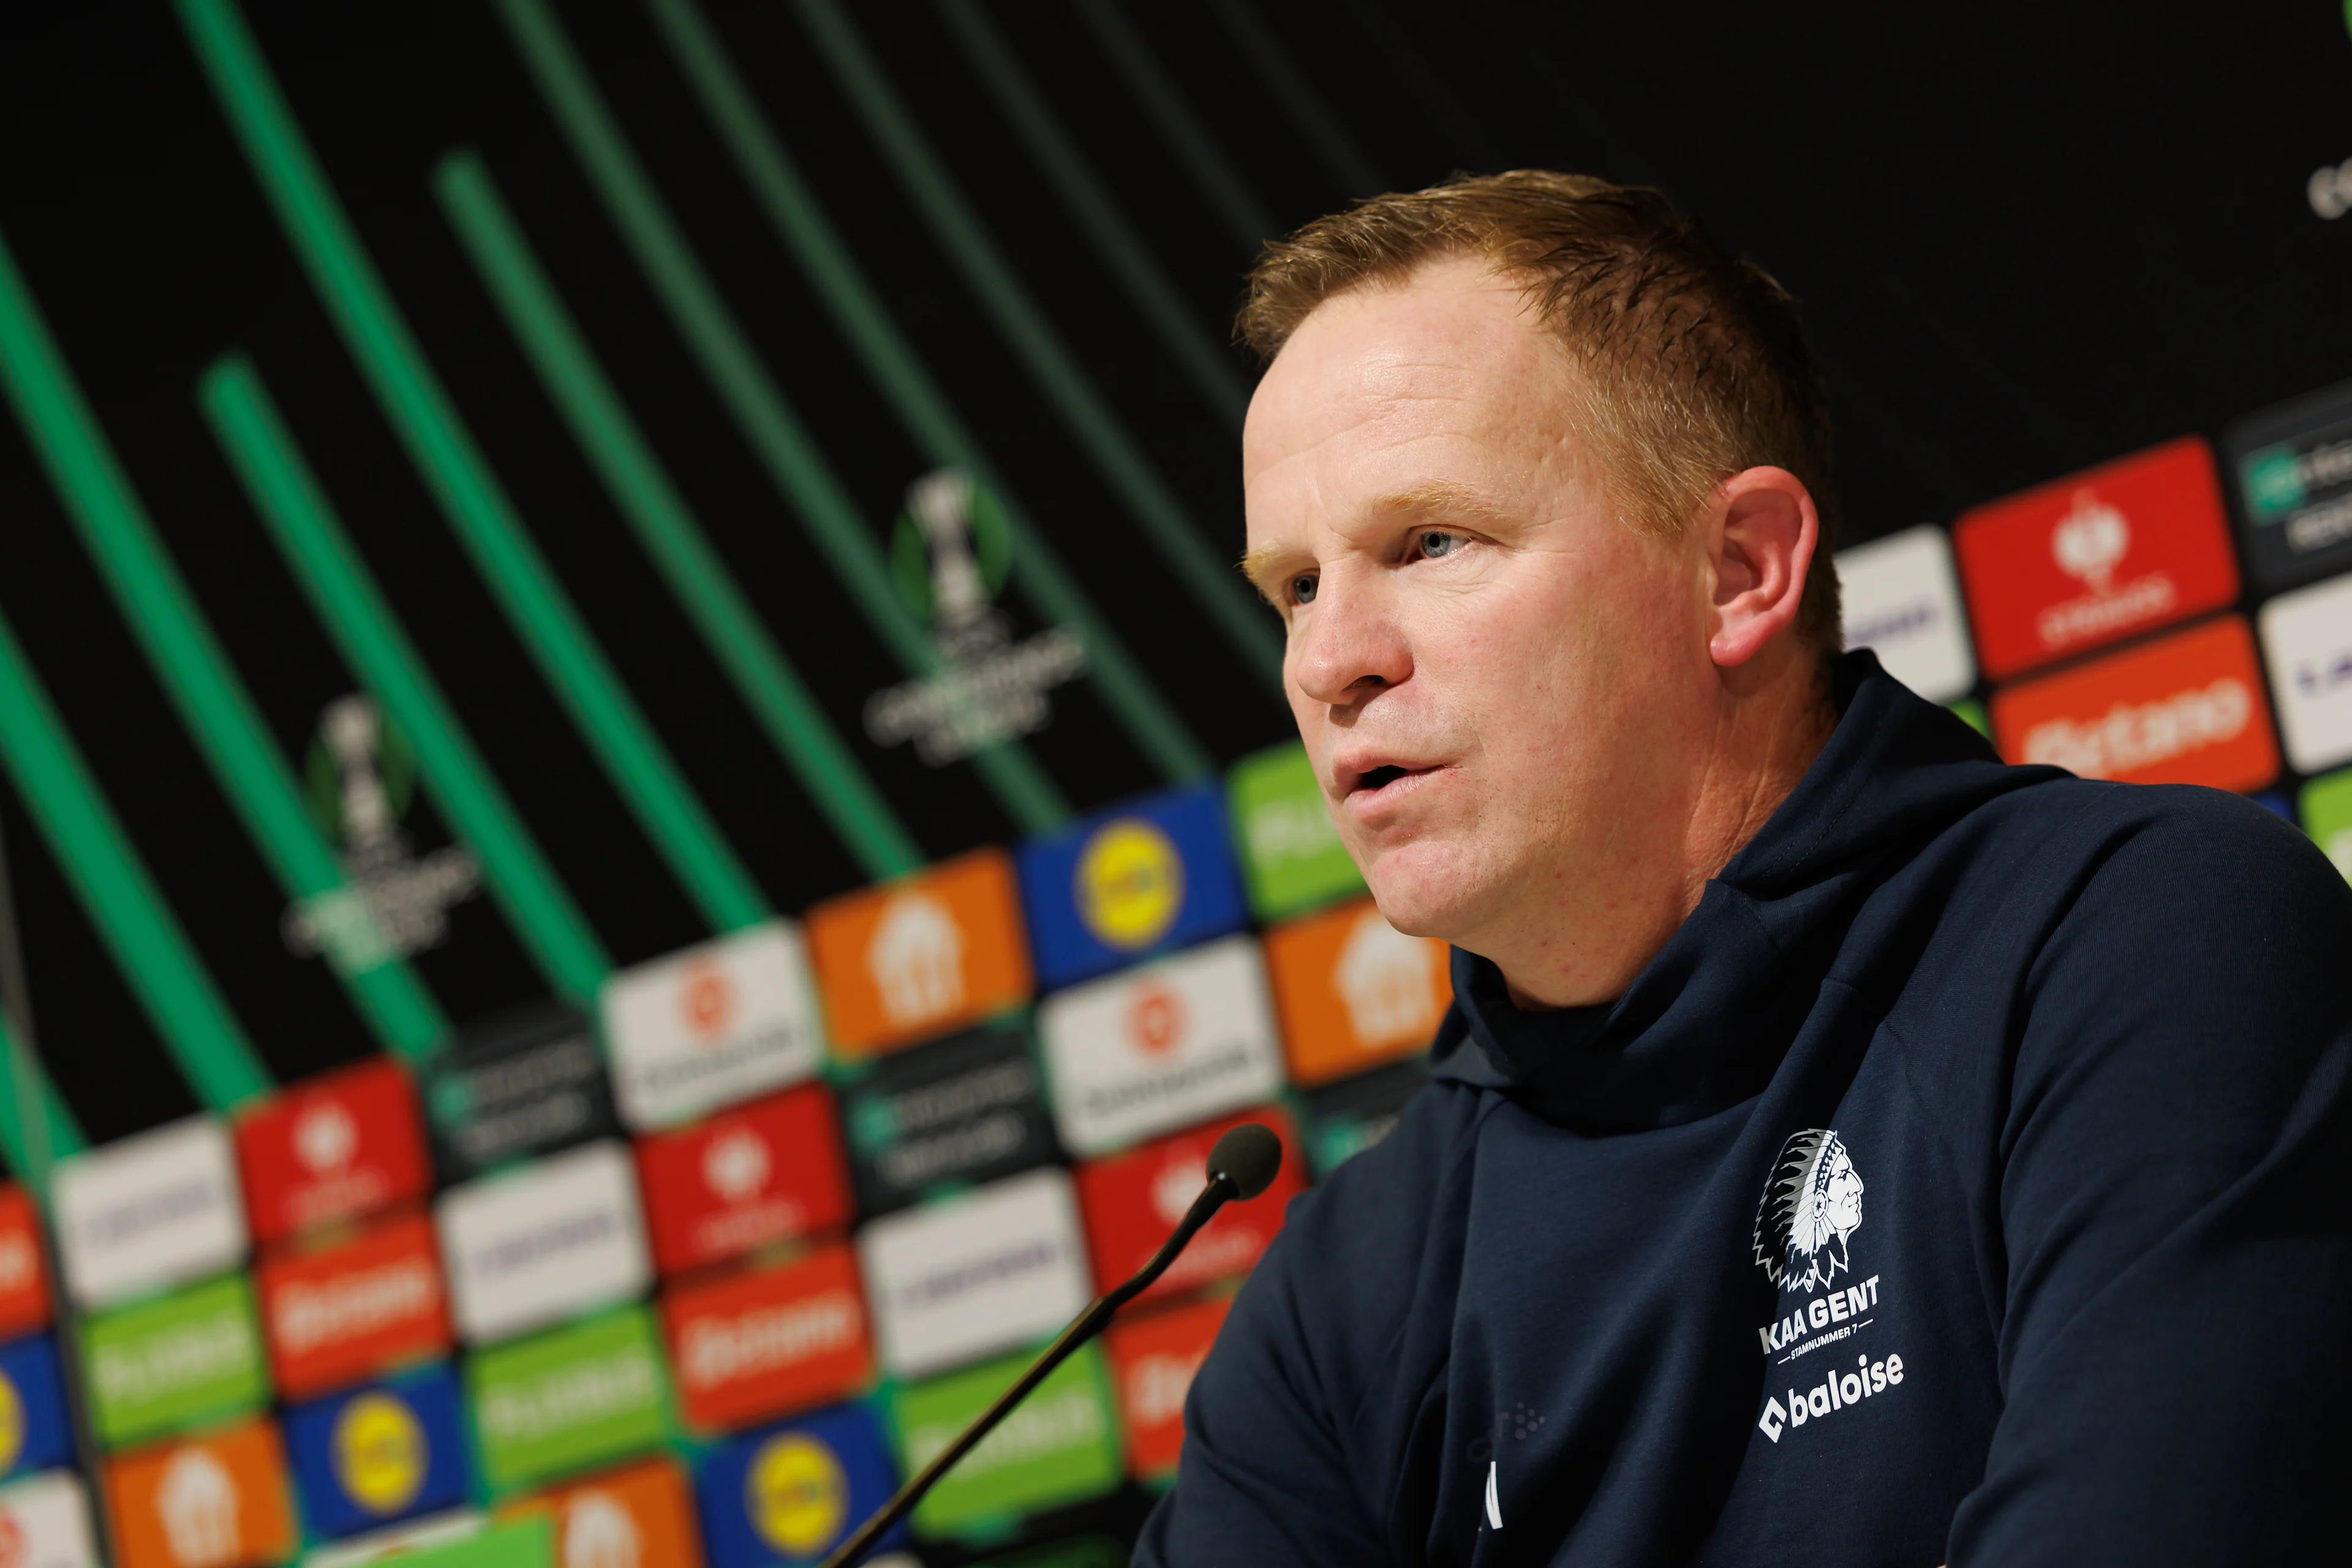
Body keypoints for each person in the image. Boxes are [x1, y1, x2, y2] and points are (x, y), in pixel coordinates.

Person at [1134, 171, 2352, 1565]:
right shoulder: (1343, 1287)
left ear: (1738, 570)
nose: (1328, 659)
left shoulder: (2141, 945)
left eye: (1429, 543)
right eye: (1294, 584)